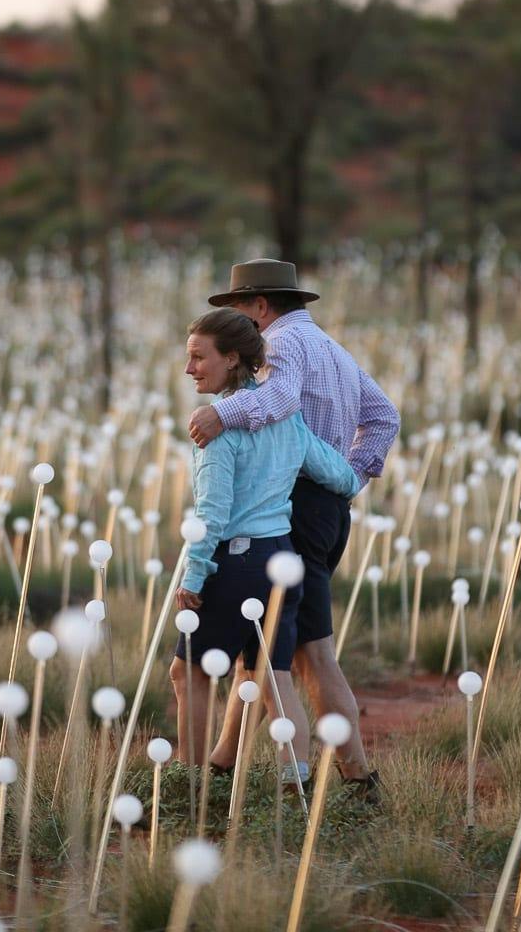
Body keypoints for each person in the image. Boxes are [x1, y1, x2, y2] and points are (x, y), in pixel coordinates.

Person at [188, 258, 399, 796]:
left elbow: (280, 401)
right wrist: (351, 477)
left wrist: (222, 415)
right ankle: (221, 765)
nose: (240, 324)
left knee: (308, 653)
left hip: (294, 509)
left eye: (240, 311)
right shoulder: (332, 348)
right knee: (265, 651)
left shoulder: (281, 346)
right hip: (326, 509)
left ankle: (357, 777)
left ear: (261, 306)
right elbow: (384, 416)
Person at [172, 307, 358, 789]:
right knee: (274, 677)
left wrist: (194, 577)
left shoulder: (216, 430)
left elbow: (212, 513)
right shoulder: (287, 419)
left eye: (198, 357)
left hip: (235, 562)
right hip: (283, 558)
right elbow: (337, 474)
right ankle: (293, 782)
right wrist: (353, 482)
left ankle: (188, 786)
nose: (189, 368)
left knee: (186, 672)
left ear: (232, 358)